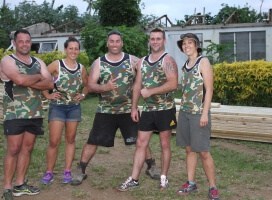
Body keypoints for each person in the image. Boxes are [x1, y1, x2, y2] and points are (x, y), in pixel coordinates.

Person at [70, 30, 160, 186]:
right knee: (93, 140)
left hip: (128, 109)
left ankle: (151, 166)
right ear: (107, 43)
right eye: (111, 41)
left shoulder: (133, 60)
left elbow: (146, 74)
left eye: (117, 41)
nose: (114, 44)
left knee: (140, 140)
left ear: (122, 43)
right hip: (106, 110)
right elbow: (90, 85)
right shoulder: (99, 62)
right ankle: (81, 170)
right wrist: (105, 87)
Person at [118, 27, 178, 191]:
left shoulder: (168, 60)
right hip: (149, 109)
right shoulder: (142, 62)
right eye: (152, 39)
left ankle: (164, 178)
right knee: (140, 143)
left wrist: (151, 91)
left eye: (158, 38)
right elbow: (137, 85)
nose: (155, 41)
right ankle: (134, 179)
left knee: (164, 144)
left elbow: (173, 84)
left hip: (165, 109)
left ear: (164, 41)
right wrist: (134, 107)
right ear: (149, 41)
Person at [0, 29, 53, 200]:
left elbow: (50, 83)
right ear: (15, 43)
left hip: (35, 112)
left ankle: (20, 184)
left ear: (31, 42)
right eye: (20, 41)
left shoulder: (38, 61)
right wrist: (38, 77)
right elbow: (19, 80)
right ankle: (7, 187)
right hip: (14, 112)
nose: (24, 44)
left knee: (27, 148)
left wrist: (31, 80)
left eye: (27, 41)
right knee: (14, 149)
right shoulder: (7, 61)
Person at [175, 33, 220, 200]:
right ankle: (191, 182)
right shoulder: (185, 64)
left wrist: (204, 114)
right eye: (184, 43)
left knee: (203, 152)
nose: (186, 46)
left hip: (198, 114)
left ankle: (213, 187)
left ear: (196, 45)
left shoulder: (203, 62)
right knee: (189, 149)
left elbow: (209, 90)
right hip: (185, 112)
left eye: (190, 43)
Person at [40, 37, 89, 185]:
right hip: (58, 107)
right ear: (65, 49)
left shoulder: (81, 68)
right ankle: (49, 172)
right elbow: (41, 78)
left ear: (78, 50)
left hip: (74, 108)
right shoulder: (57, 65)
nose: (73, 51)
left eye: (76, 48)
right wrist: (47, 95)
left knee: (71, 140)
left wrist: (83, 94)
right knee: (54, 141)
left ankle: (67, 171)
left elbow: (87, 85)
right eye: (71, 48)